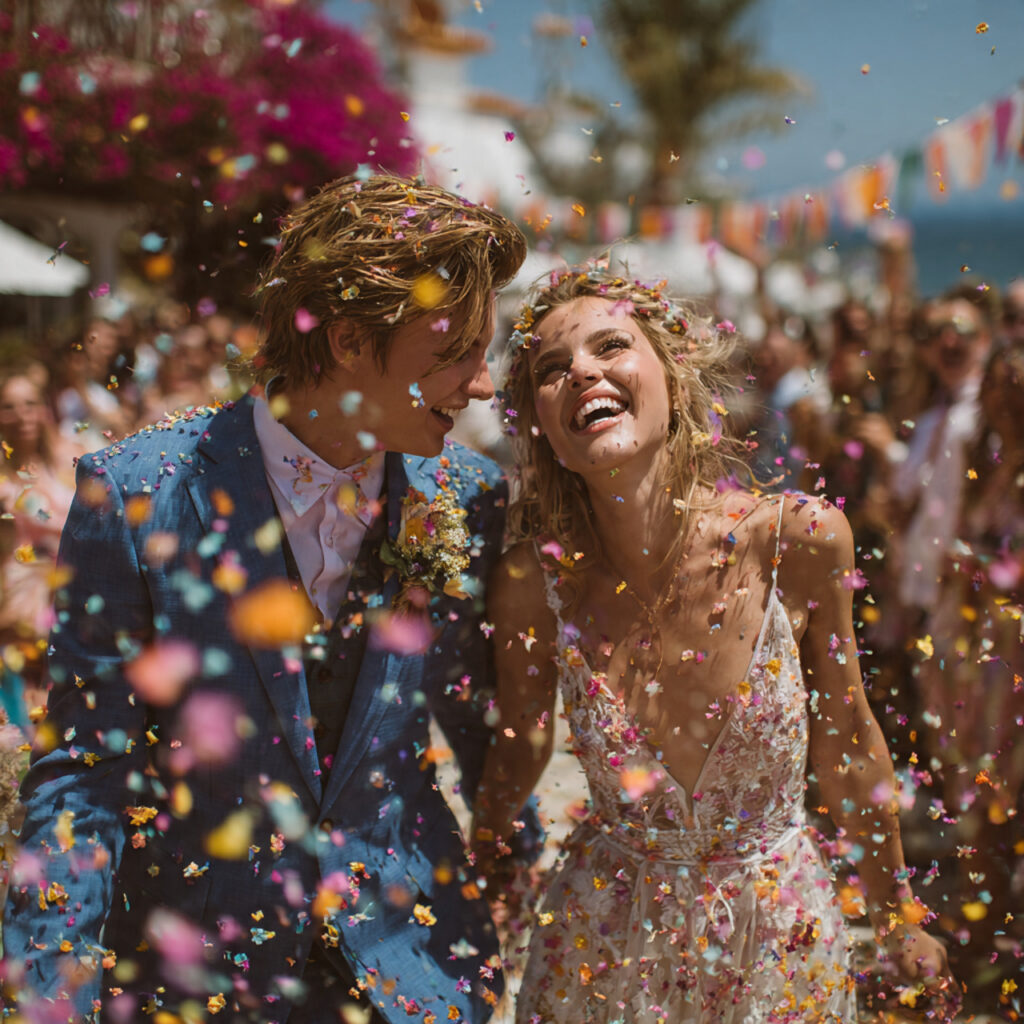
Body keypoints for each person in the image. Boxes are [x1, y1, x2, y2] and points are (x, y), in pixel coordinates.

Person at [2, 173, 534, 1023]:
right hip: (198, 972)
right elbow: (84, 768)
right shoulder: (136, 496)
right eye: (462, 350)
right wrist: (48, 998)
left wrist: (514, 889)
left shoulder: (467, 494)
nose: (482, 384)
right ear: (355, 342)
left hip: (412, 968)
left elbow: (482, 725)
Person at [471, 268, 957, 1023]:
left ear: (674, 374)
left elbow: (848, 740)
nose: (583, 373)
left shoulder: (797, 539)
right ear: (536, 422)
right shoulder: (533, 580)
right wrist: (484, 857)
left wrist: (898, 915)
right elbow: (523, 743)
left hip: (777, 944)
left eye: (610, 346)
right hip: (601, 947)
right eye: (551, 370)